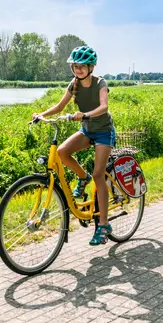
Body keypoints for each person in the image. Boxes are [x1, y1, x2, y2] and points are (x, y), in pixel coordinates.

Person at [32, 45, 116, 245]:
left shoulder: (100, 83)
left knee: (99, 174)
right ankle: (82, 177)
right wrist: (41, 115)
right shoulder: (74, 84)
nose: (77, 69)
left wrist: (84, 114)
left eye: (82, 66)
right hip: (87, 130)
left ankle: (103, 225)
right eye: (74, 66)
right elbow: (60, 106)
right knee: (62, 151)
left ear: (91, 67)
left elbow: (104, 106)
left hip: (103, 132)